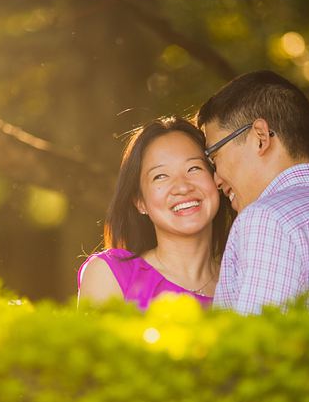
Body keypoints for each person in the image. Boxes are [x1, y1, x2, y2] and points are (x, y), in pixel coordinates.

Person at [197, 70, 309, 314]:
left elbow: (255, 345)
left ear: (260, 137)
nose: (216, 179)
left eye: (215, 157)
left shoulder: (265, 219)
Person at [78, 117, 230, 310]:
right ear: (140, 202)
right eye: (160, 176)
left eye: (194, 168)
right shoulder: (111, 274)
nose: (182, 187)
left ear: (216, 179)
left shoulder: (242, 283)